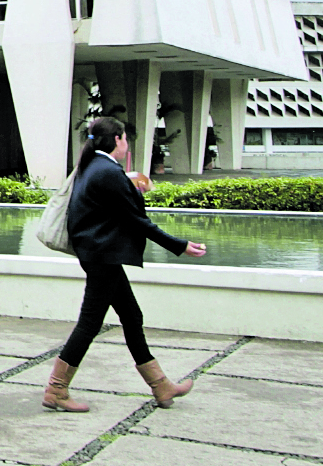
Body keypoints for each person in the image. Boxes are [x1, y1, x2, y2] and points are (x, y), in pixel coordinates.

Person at [43, 116, 208, 413]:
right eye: (125, 139)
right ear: (117, 139)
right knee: (90, 323)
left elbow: (107, 210)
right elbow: (137, 220)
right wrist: (179, 245)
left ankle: (161, 386)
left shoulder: (92, 166)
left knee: (131, 316)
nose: (127, 145)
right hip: (103, 258)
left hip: (98, 256)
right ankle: (56, 389)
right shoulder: (107, 171)